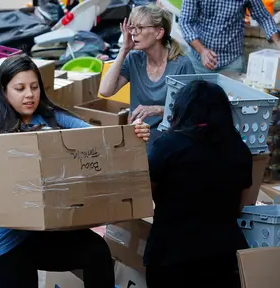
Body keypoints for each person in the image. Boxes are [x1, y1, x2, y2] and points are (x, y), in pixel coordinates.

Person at [0, 55, 150, 288]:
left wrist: (133, 133)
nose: (29, 94)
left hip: (46, 230)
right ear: (4, 89)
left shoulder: (50, 115)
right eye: (20, 88)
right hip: (6, 237)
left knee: (96, 251)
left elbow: (100, 139)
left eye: (34, 87)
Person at [144, 80, 252, 288]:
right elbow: (243, 204)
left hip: (172, 254)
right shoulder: (240, 149)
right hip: (223, 256)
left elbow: (148, 193)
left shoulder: (167, 146)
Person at [99, 3, 194, 149]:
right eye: (132, 28)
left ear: (159, 33)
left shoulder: (182, 65)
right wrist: (123, 50)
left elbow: (191, 112)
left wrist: (158, 109)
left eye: (140, 28)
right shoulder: (134, 58)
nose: (134, 33)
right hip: (138, 134)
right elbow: (105, 91)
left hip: (169, 139)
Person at [180, 0, 280, 74]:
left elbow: (263, 17)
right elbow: (185, 22)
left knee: (232, 101)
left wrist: (278, 42)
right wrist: (202, 51)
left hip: (232, 63)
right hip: (198, 62)